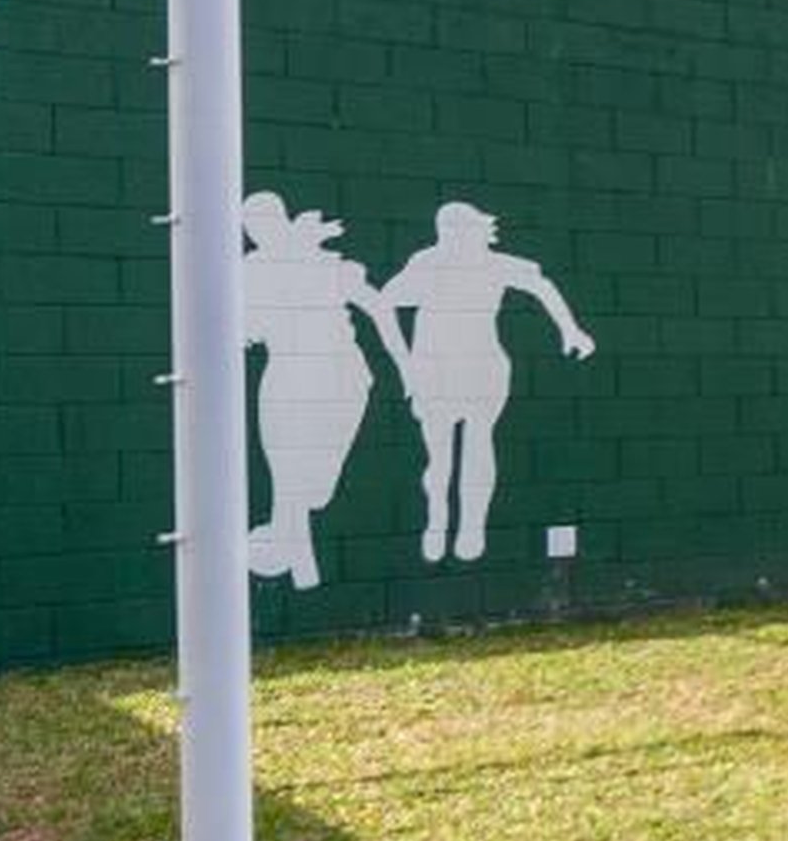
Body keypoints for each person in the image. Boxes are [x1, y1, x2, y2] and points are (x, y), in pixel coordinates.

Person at [373, 202, 594, 564]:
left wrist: (571, 330)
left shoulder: (495, 264)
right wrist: (405, 364)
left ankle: (472, 526)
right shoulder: (427, 264)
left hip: (484, 367)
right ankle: (437, 521)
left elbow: (542, 286)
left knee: (478, 441)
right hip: (434, 372)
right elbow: (385, 305)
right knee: (439, 454)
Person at [238, 191, 410, 590]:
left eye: (265, 222)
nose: (258, 232)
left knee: (315, 490)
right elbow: (245, 328)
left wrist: (407, 366)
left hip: (341, 374)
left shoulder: (323, 263)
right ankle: (301, 566)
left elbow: (378, 307)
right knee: (287, 476)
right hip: (284, 373)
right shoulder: (250, 269)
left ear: (282, 221)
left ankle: (288, 540)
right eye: (251, 226)